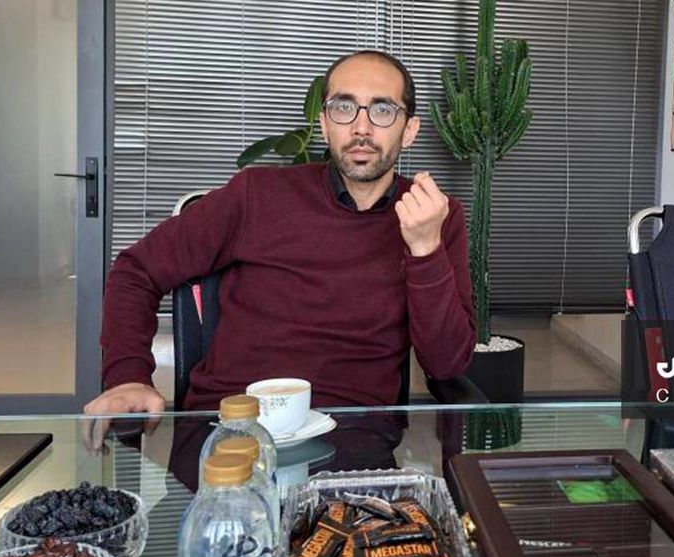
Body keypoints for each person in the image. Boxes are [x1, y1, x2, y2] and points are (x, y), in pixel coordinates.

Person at [83, 50, 476, 415]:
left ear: (409, 130)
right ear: (324, 125)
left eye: (383, 110)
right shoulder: (256, 194)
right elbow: (137, 270)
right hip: (233, 421)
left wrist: (425, 249)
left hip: (356, 431)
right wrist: (127, 377)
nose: (361, 127)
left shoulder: (436, 215)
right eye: (343, 107)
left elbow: (445, 363)